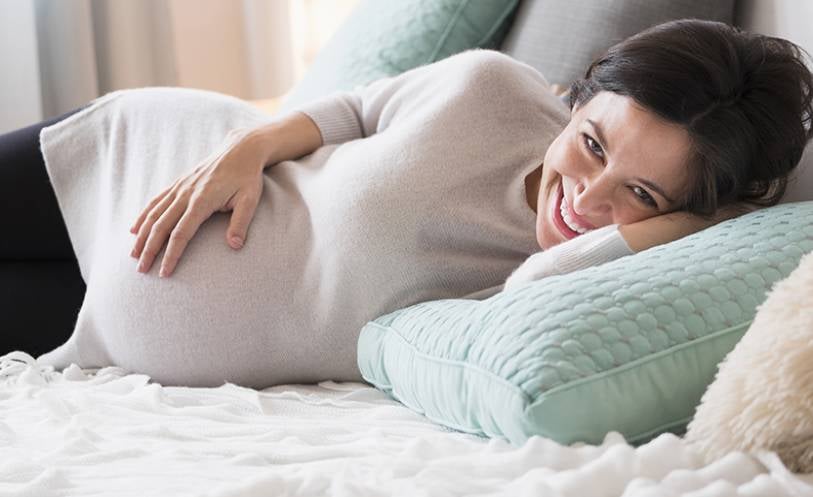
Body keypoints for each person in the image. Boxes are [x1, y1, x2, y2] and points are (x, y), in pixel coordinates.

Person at [1, 19, 811, 388]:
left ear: (688, 214)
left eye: (639, 192)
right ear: (578, 100)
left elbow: (535, 293)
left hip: (100, 318)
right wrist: (246, 148)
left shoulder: (569, 280)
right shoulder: (488, 90)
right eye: (592, 144)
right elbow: (355, 109)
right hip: (139, 154)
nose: (584, 199)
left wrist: (689, 222)